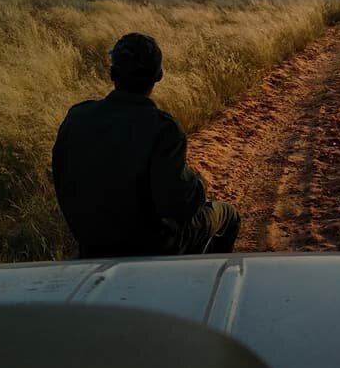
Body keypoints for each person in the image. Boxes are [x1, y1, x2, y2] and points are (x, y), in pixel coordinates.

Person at [52, 32, 240, 258]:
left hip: (92, 246)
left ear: (113, 74)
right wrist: (199, 185)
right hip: (153, 248)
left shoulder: (76, 117)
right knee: (228, 215)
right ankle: (206, 280)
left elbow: (61, 177)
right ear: (157, 76)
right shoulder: (164, 128)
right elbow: (180, 207)